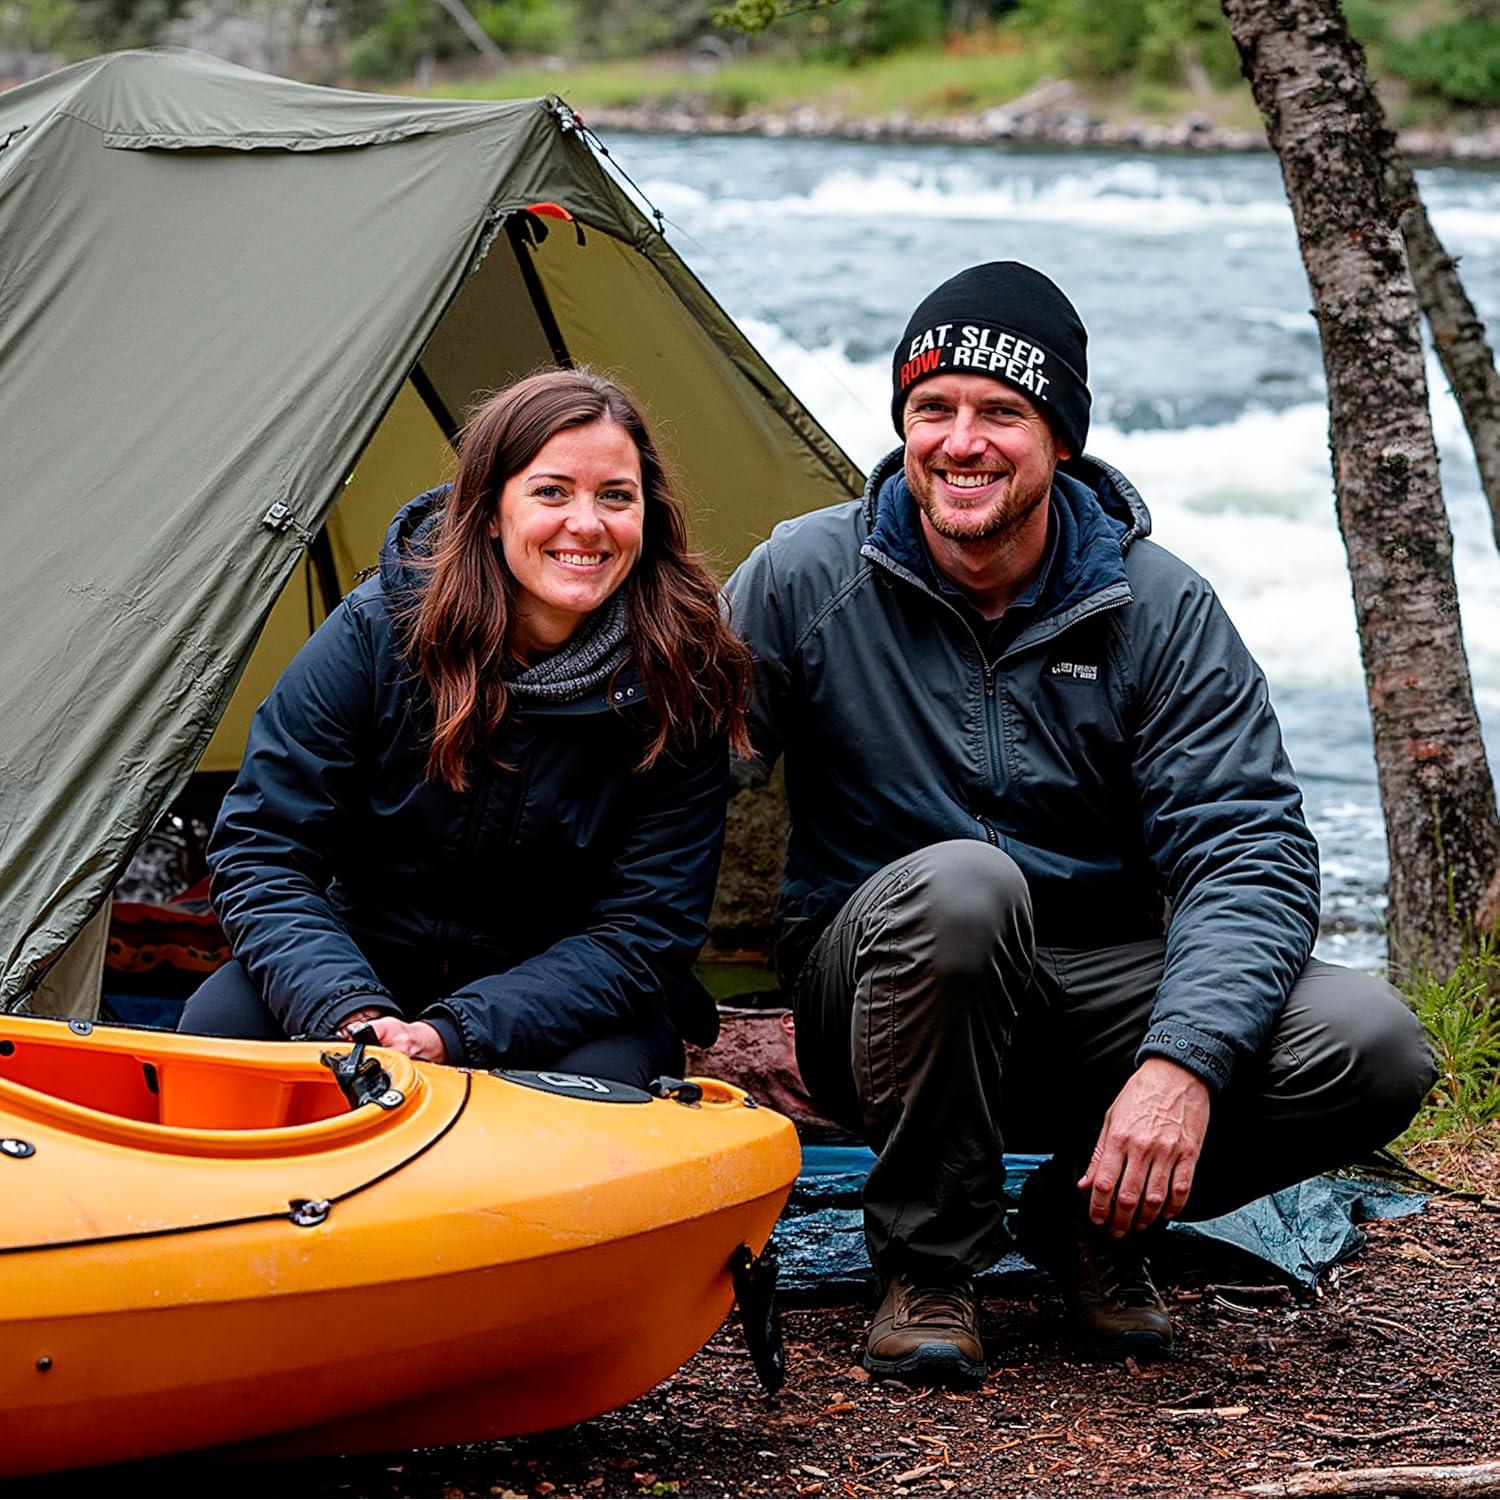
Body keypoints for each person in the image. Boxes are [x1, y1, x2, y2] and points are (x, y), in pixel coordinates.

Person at [724, 263, 1436, 1387]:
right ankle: (928, 1262)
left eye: (1001, 413)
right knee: (964, 888)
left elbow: (1248, 852)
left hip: (1100, 997)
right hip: (886, 1000)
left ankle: (1089, 1221)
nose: (961, 443)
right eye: (933, 409)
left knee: (1371, 1040)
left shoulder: (1159, 606)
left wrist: (1182, 1061)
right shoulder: (805, 577)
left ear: (1060, 439)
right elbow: (667, 782)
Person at [181, 369, 751, 1088]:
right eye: (551, 492)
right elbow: (262, 848)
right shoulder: (377, 634)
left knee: (596, 1090)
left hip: (562, 1001)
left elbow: (647, 928)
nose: (587, 524)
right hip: (362, 965)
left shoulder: (682, 677)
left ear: (649, 516)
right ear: (488, 512)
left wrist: (453, 1033)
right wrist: (351, 1010)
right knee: (221, 1031)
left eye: (616, 496)